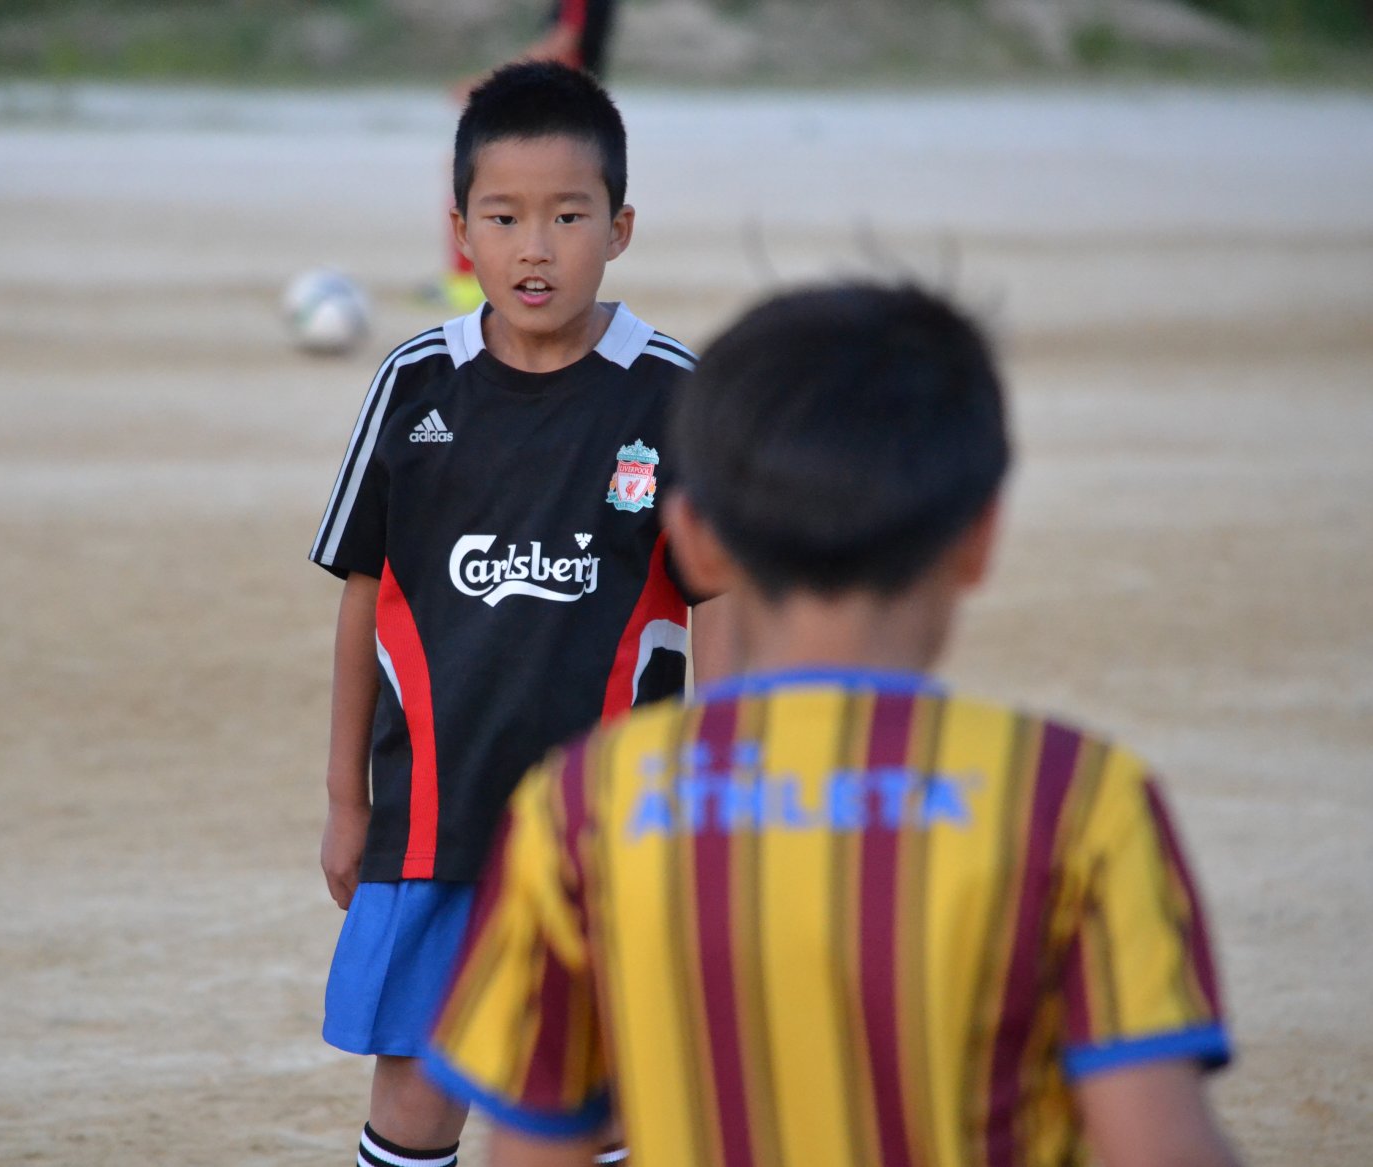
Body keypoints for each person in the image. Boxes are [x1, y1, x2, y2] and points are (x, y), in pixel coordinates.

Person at [426, 282, 1244, 1167]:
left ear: (695, 540)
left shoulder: (581, 804)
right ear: (978, 537)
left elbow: (535, 1149)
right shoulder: (1074, 798)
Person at [308, 61, 725, 1167]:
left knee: (593, 1106)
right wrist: (345, 799)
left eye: (566, 216)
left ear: (620, 227)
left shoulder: (670, 395)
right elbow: (363, 600)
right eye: (502, 217)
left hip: (611, 834)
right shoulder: (413, 385)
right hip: (430, 824)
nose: (533, 247)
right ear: (461, 231)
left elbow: (721, 612)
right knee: (413, 1102)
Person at [439, 2, 622, 313]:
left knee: (474, 171)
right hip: (576, 98)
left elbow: (565, 41)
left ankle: (465, 284)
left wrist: (492, 85)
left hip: (556, 102)